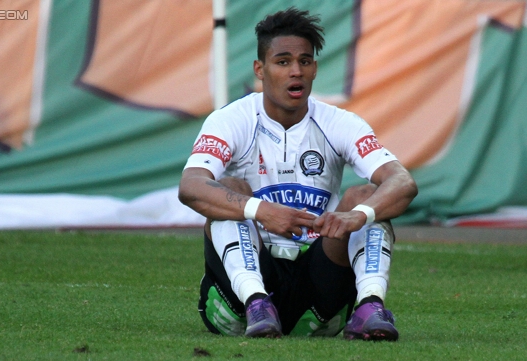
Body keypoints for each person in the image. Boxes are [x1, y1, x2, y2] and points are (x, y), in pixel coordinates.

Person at [178, 7, 418, 340]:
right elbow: (190, 186)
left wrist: (358, 216)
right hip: (243, 296)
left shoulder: (339, 122)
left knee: (364, 197)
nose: (296, 72)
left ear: (315, 69)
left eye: (304, 61)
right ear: (260, 70)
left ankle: (370, 306)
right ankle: (256, 301)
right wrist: (262, 211)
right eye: (283, 62)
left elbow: (402, 182)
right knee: (229, 189)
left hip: (317, 291)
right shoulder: (230, 120)